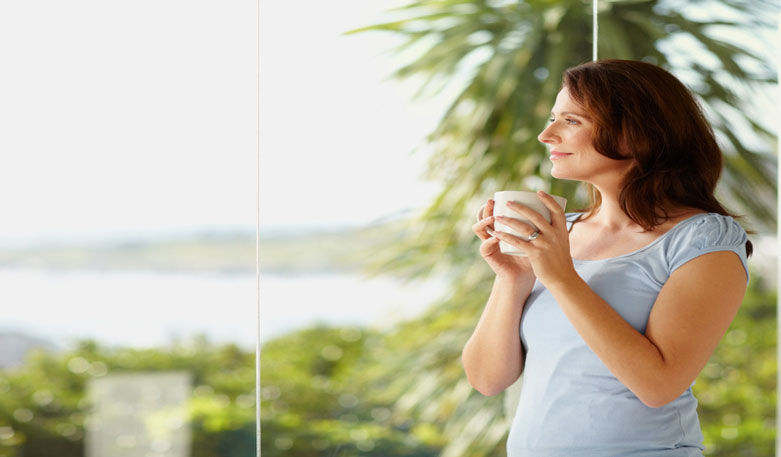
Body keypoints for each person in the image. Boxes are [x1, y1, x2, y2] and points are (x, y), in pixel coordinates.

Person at [462, 59, 752, 456]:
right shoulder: (558, 235)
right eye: (553, 118)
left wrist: (562, 278)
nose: (547, 135)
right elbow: (486, 379)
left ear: (635, 133)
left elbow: (659, 386)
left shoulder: (703, 239)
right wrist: (512, 279)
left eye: (571, 121)